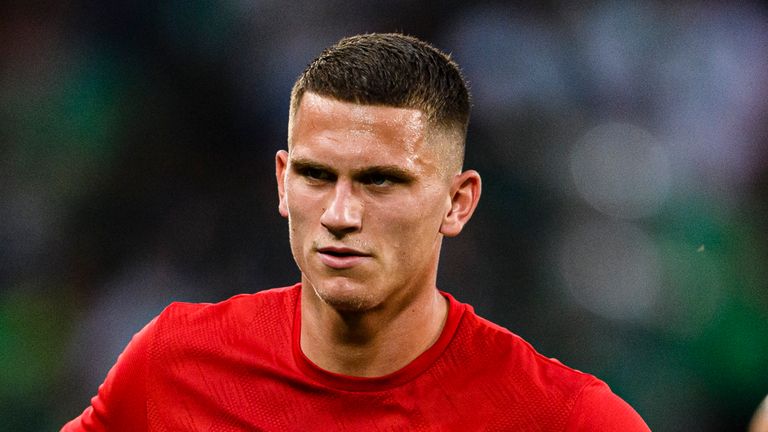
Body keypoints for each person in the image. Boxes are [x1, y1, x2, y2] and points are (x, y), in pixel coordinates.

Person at [63, 33, 650, 431]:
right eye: (317, 175)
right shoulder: (176, 364)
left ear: (457, 202)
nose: (340, 214)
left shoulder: (561, 416)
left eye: (381, 182)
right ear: (282, 181)